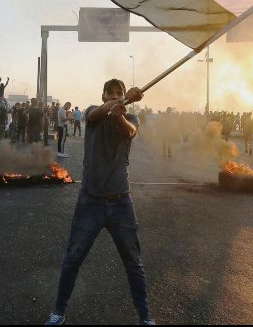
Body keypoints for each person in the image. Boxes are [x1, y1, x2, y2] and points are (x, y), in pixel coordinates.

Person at [45, 79, 154, 326]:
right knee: (73, 258)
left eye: (120, 93)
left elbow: (129, 131)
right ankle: (58, 312)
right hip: (90, 202)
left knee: (134, 263)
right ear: (103, 95)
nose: (115, 96)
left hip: (121, 202)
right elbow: (94, 115)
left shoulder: (130, 120)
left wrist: (119, 113)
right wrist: (117, 104)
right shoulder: (94, 111)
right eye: (111, 93)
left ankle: (145, 317)